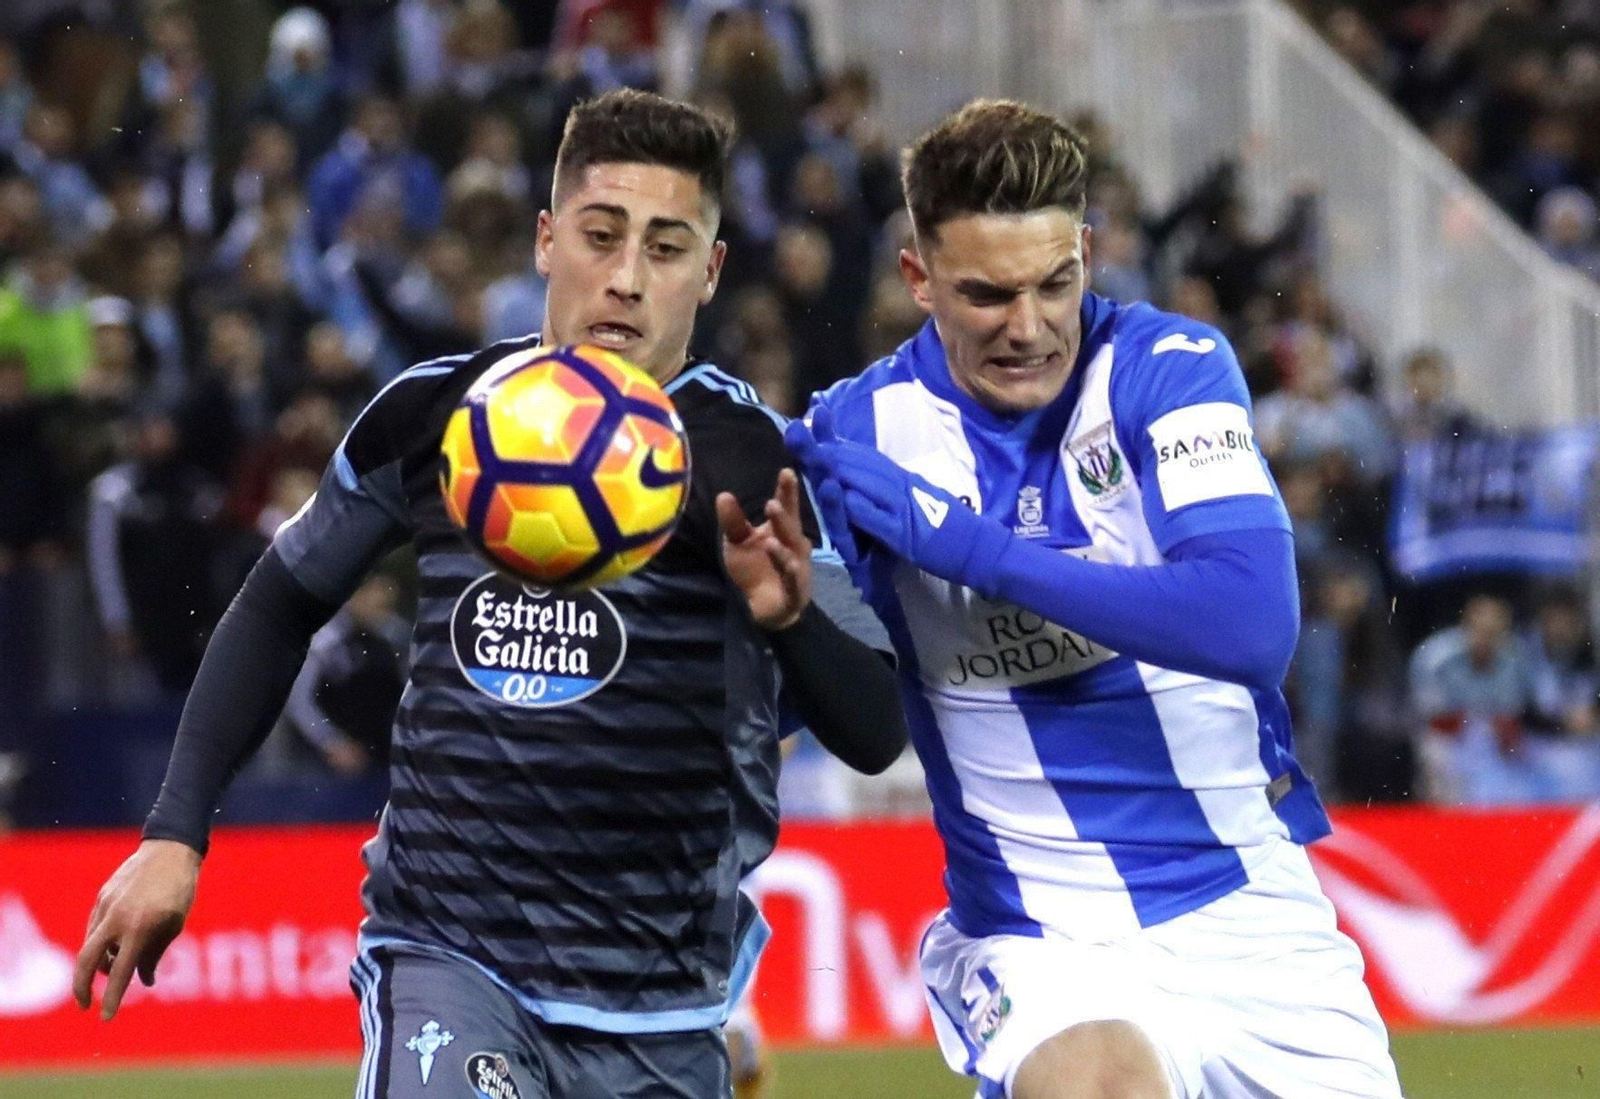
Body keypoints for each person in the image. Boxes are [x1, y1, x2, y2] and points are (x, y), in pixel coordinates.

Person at [73, 89, 907, 1099]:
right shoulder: (433, 415)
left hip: (661, 1002)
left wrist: (791, 620)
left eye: (667, 246)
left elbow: (874, 728)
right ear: (547, 240)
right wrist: (175, 830)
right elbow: (277, 601)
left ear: (712, 271)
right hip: (446, 955)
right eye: (602, 236)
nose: (628, 279)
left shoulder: (750, 459)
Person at [788, 100, 1400, 1099]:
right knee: (1100, 1083)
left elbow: (1249, 624)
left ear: (1085, 252)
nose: (1026, 327)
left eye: (1054, 283)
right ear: (917, 278)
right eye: (986, 294)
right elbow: (811, 691)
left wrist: (969, 548)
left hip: (1248, 915)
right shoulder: (857, 436)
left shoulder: (1169, 371)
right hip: (1036, 938)